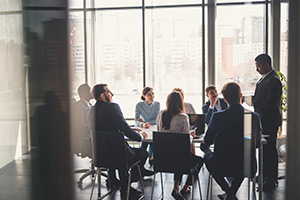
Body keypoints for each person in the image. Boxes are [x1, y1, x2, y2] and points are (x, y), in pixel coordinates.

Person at [88, 84, 154, 200]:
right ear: (102, 95)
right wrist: (140, 137)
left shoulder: (91, 111)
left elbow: (108, 128)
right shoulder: (113, 107)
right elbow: (125, 130)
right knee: (143, 153)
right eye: (109, 92)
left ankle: (113, 181)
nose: (112, 94)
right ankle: (126, 186)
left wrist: (129, 129)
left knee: (114, 152)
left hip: (101, 156)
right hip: (119, 156)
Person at [203, 82, 262, 200]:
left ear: (224, 99)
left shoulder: (218, 117)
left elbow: (207, 140)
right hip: (247, 165)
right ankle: (231, 192)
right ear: (241, 95)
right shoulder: (253, 117)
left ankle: (228, 191)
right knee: (242, 161)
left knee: (207, 157)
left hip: (221, 164)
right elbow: (257, 144)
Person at [156, 91, 203, 200]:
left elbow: (159, 133)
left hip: (162, 160)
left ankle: (176, 188)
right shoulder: (183, 117)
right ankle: (184, 187)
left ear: (167, 102)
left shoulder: (161, 114)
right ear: (180, 103)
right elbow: (186, 141)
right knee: (198, 160)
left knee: (178, 153)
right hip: (180, 160)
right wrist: (191, 135)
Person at [253, 54, 282, 190]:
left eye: (258, 65)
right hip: (263, 120)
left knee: (270, 150)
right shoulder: (264, 79)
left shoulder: (274, 80)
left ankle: (271, 179)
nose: (256, 69)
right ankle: (264, 176)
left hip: (269, 121)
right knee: (265, 150)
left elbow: (271, 103)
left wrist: (254, 102)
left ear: (266, 64)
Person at [135, 87, 160, 166]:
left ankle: (150, 156)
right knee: (145, 140)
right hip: (144, 127)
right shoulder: (139, 105)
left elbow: (157, 119)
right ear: (144, 96)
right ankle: (142, 159)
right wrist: (142, 124)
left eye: (153, 94)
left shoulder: (157, 104)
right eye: (149, 94)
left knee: (153, 140)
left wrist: (148, 123)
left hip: (153, 127)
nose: (151, 96)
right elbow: (137, 119)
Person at [201, 85, 228, 153]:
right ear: (207, 95)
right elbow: (207, 121)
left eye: (215, 92)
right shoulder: (205, 107)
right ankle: (212, 155)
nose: (215, 94)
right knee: (203, 145)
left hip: (226, 129)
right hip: (214, 131)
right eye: (212, 93)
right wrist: (212, 106)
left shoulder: (224, 102)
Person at [72, 84, 93, 157]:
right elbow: (81, 125)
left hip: (90, 136)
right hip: (85, 139)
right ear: (84, 93)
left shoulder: (89, 105)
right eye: (89, 90)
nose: (91, 92)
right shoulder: (78, 106)